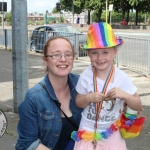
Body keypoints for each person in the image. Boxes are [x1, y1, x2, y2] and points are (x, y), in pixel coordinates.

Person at [71, 22, 142, 150]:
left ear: (115, 52)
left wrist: (125, 95)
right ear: (88, 54)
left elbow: (138, 105)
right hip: (87, 134)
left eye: (105, 52)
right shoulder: (86, 75)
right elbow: (78, 103)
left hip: (111, 136)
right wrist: (88, 98)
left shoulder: (121, 77)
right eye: (94, 53)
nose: (100, 58)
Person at [15, 36, 83, 150]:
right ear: (45, 60)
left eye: (68, 54)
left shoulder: (83, 85)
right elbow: (26, 143)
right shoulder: (34, 97)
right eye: (56, 55)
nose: (63, 59)